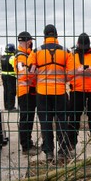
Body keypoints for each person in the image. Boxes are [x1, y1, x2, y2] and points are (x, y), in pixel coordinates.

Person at [27, 24, 75, 162]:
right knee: (61, 122)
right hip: (60, 92)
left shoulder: (36, 52)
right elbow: (71, 73)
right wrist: (63, 80)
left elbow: (30, 72)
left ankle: (48, 152)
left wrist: (37, 80)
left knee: (46, 122)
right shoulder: (66, 52)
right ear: (56, 35)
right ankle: (63, 151)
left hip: (42, 93)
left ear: (44, 36)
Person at [13, 32, 39, 155]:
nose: (31, 43)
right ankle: (26, 147)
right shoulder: (21, 56)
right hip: (25, 92)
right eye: (30, 41)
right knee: (26, 119)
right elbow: (23, 74)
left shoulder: (26, 55)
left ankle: (28, 143)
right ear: (27, 42)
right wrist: (35, 70)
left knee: (28, 119)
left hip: (29, 91)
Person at [0, 43, 17, 111]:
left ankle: (6, 106)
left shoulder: (3, 57)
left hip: (3, 75)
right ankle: (11, 107)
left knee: (6, 91)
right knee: (11, 91)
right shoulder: (12, 58)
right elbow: (15, 67)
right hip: (11, 76)